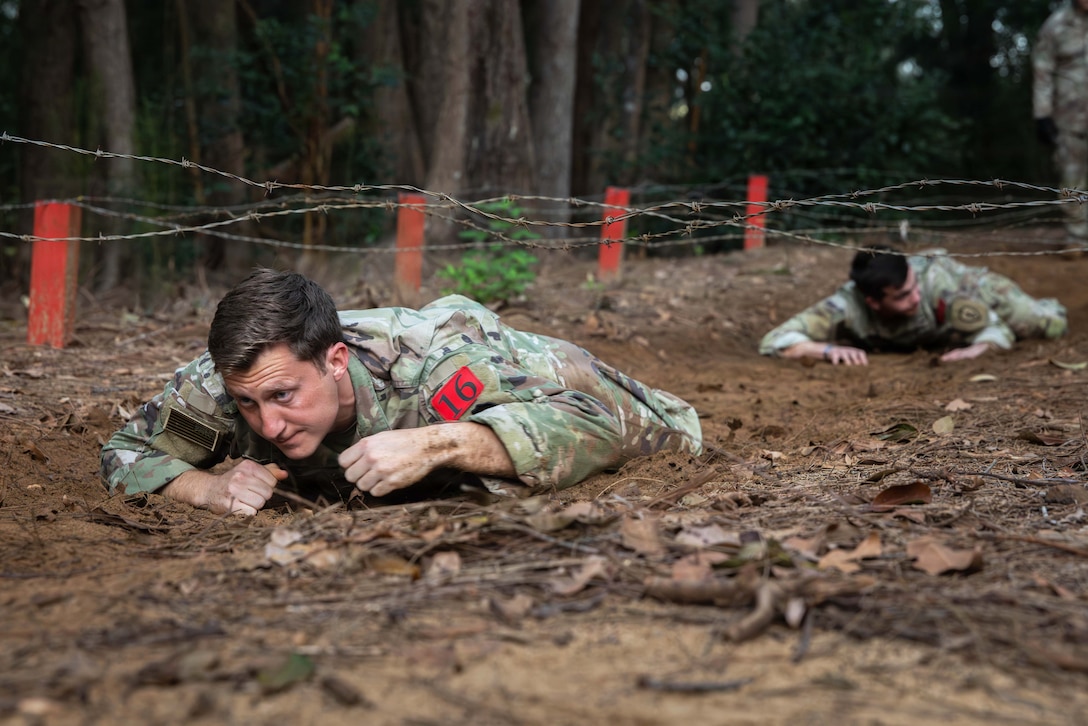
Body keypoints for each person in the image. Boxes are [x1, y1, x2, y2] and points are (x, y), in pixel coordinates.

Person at [100, 268, 703, 515]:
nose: (268, 426)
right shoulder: (227, 383)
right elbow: (125, 449)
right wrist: (207, 486)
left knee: (670, 438)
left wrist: (439, 444)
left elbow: (591, 420)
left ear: (335, 362)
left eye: (284, 396)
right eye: (250, 404)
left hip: (535, 370)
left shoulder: (436, 368)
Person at [758, 247, 1067, 366]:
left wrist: (976, 349)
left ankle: (1046, 304)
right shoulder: (848, 304)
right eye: (903, 296)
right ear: (873, 302)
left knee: (1049, 325)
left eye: (913, 287)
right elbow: (774, 340)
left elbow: (996, 329)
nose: (915, 298)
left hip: (976, 288)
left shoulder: (938, 290)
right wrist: (823, 350)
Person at [1033, 0, 1088, 243]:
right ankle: (1077, 238)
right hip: (1069, 119)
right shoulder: (1055, 26)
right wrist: (1042, 114)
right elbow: (1042, 71)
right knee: (1072, 176)